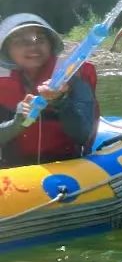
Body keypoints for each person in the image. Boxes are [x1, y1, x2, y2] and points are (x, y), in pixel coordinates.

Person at [0, 14, 99, 167]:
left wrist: (60, 101)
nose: (33, 47)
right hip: (13, 170)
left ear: (51, 44)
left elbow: (83, 136)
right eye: (20, 42)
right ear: (7, 50)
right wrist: (17, 123)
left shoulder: (74, 76)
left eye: (40, 39)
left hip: (66, 166)